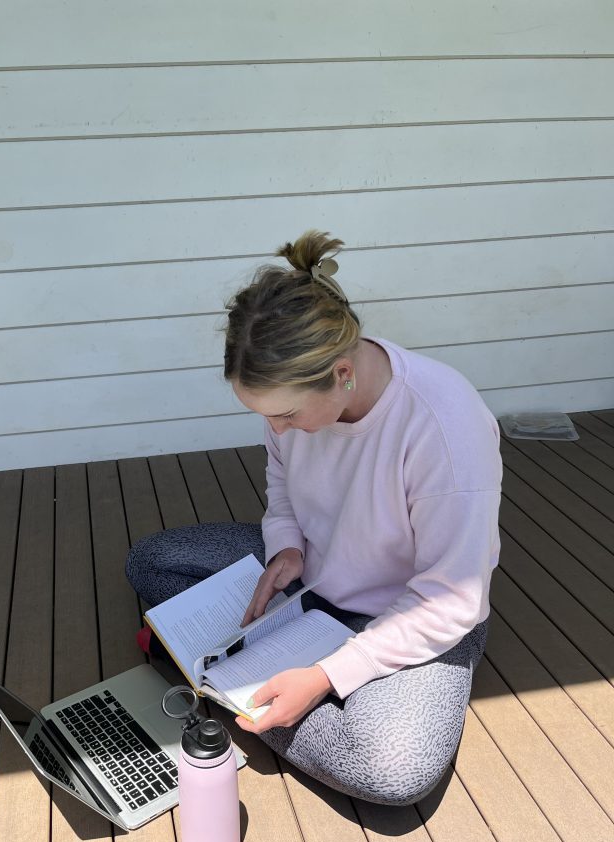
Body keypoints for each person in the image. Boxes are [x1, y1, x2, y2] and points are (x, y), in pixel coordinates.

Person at [126, 231, 502, 806]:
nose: (275, 430)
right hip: (312, 576)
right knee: (152, 561)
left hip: (417, 614)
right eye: (264, 415)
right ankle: (248, 688)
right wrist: (286, 548)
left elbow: (452, 600)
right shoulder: (298, 397)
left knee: (394, 774)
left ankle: (227, 691)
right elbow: (282, 484)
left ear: (343, 373)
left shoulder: (445, 427)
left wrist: (328, 674)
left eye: (286, 414)